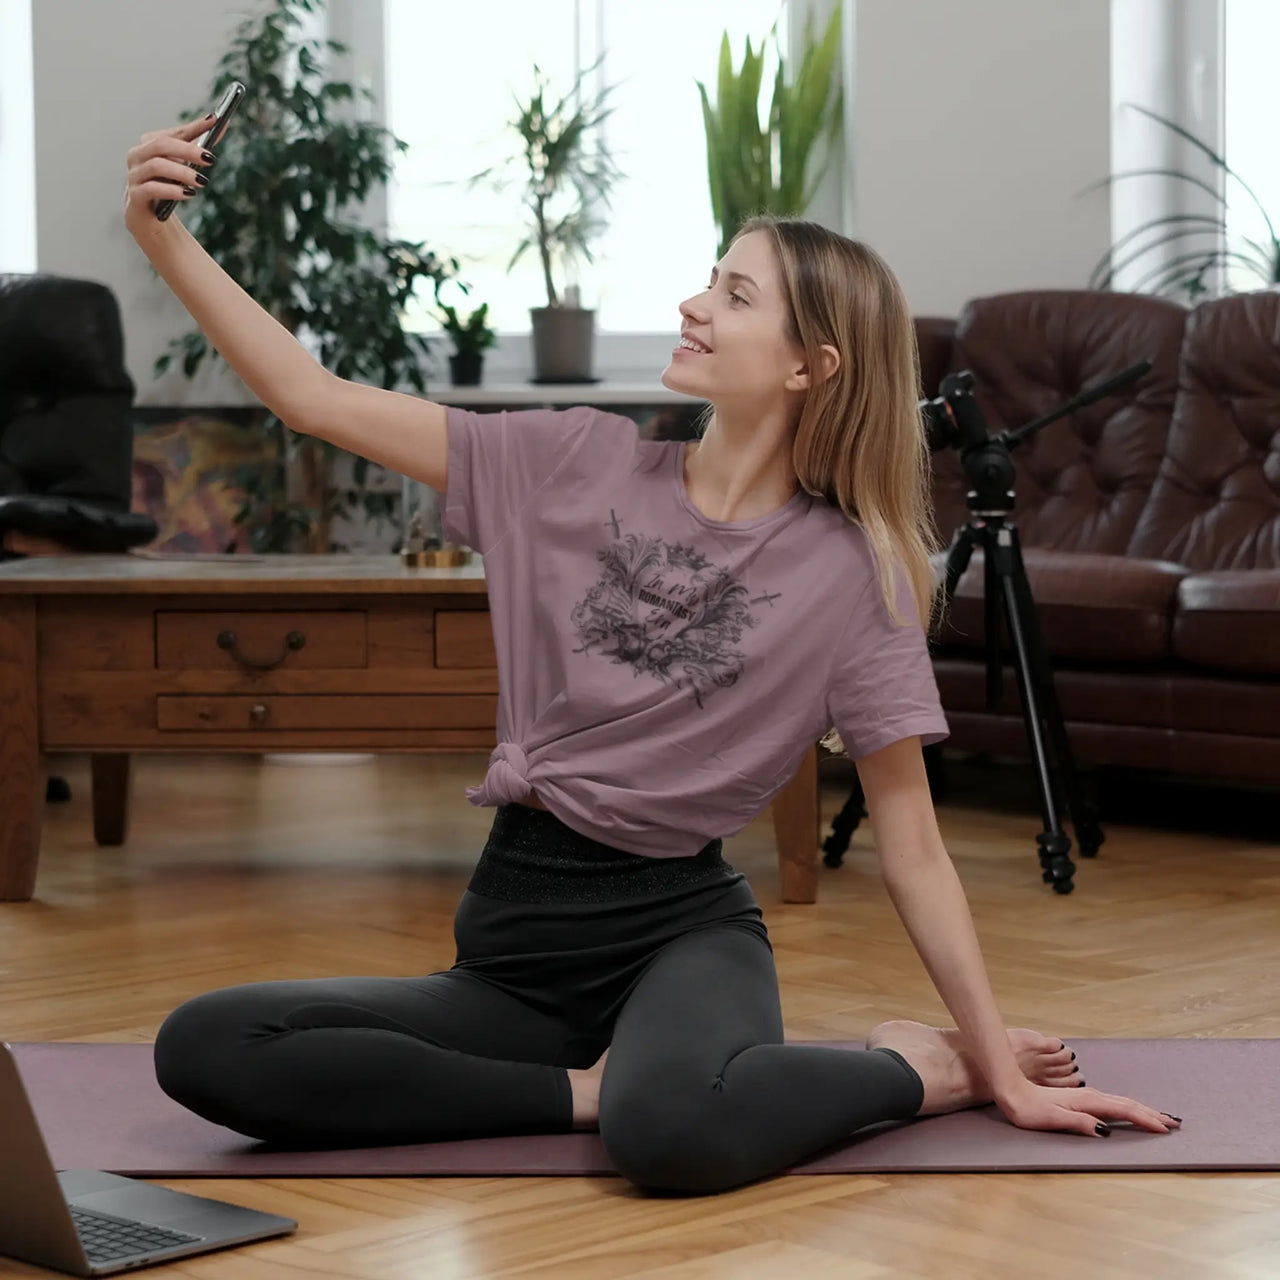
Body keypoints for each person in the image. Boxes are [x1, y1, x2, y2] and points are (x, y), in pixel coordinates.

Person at [123, 114, 1181, 1196]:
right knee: (208, 1042)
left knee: (672, 1133)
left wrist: (993, 1059)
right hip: (515, 943)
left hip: (682, 932)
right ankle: (591, 1093)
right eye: (706, 280)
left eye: (735, 294)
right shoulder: (568, 460)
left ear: (812, 365)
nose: (693, 303)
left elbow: (910, 842)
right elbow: (313, 397)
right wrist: (163, 237)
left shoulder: (854, 574)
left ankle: (913, 1069)